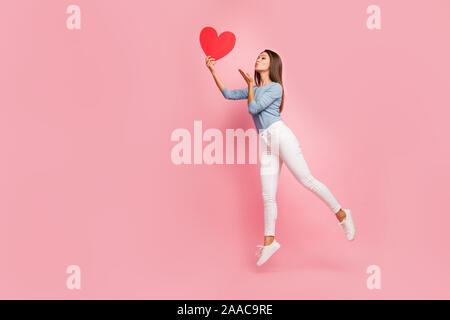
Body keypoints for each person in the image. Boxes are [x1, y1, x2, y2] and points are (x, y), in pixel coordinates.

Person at [205, 49, 356, 266]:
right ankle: (269, 242)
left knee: (307, 180)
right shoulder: (255, 88)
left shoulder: (275, 88)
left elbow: (253, 108)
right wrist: (212, 71)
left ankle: (343, 215)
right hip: (265, 141)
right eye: (258, 56)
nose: (258, 59)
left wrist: (249, 86)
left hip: (280, 136)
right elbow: (227, 94)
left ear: (272, 64)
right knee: (267, 195)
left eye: (263, 58)